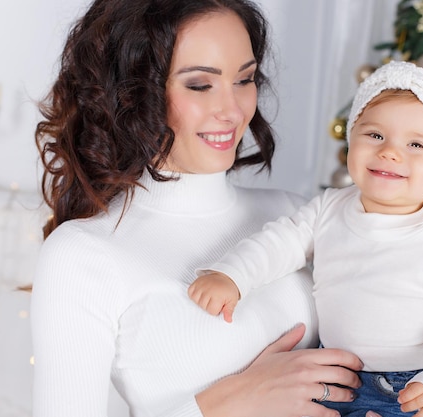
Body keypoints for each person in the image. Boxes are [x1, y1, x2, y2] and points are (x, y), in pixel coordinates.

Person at [29, 1, 380, 416]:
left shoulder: (295, 214)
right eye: (199, 85)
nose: (232, 111)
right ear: (131, 92)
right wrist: (232, 402)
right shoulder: (83, 255)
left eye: (245, 79)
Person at [188, 61, 423, 417]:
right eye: (375, 135)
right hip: (332, 374)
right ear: (352, 137)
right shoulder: (330, 208)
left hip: (407, 390)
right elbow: (280, 242)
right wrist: (232, 276)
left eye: (416, 144)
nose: (391, 152)